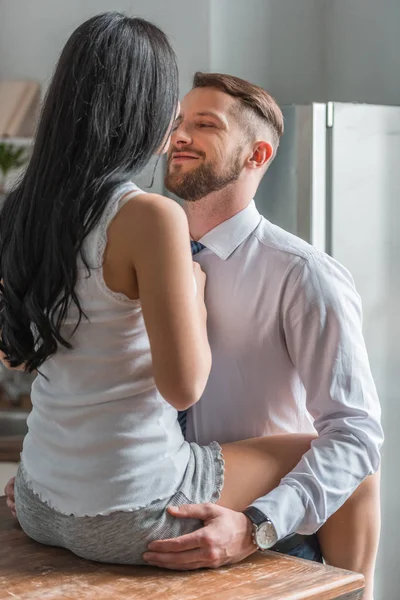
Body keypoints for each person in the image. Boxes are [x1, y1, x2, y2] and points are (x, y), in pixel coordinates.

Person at [1, 14, 381, 599]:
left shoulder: (303, 275)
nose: (177, 133)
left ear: (257, 154)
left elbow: (356, 436)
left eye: (203, 124)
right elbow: (182, 386)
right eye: (175, 118)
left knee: (357, 472)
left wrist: (257, 525)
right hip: (139, 500)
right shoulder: (147, 224)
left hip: (75, 498)